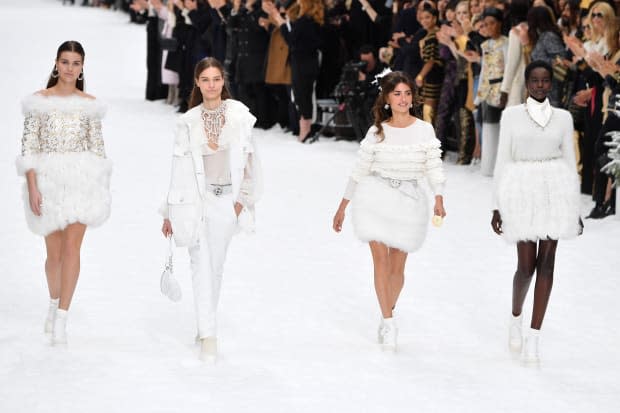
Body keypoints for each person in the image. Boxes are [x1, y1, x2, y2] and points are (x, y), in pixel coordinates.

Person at [332, 71, 447, 352]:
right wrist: (342, 206)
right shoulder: (377, 132)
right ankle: (388, 320)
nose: (403, 99)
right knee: (380, 263)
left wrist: (439, 197)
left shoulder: (424, 130)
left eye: (407, 93)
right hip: (375, 197)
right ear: (386, 98)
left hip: (409, 200)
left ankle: (388, 309)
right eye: (397, 94)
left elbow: (433, 166)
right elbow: (359, 170)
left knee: (398, 267)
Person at [160, 57, 262, 363]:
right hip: (196, 202)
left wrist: (241, 201)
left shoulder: (240, 116)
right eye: (205, 79)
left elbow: (251, 163)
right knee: (199, 265)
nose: (211, 85)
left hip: (226, 203)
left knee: (214, 268)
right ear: (197, 83)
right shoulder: (187, 121)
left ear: (223, 81)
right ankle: (209, 336)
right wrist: (169, 211)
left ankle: (206, 325)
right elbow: (177, 169)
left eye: (216, 79)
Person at [17, 41, 112, 345]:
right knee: (54, 255)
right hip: (48, 183)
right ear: (56, 64)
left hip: (83, 182)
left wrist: (100, 186)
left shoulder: (90, 104)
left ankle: (62, 318)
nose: (70, 68)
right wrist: (32, 186)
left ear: (83, 67)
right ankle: (53, 301)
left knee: (73, 250)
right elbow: (29, 147)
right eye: (65, 62)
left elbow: (98, 149)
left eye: (76, 63)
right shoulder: (38, 102)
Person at [491, 61, 582, 366]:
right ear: (527, 83)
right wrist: (496, 205)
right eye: (535, 80)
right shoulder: (512, 117)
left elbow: (570, 162)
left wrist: (575, 207)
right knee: (526, 267)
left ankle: (534, 337)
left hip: (555, 189)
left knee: (547, 265)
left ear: (550, 84)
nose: (541, 85)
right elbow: (502, 160)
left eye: (545, 81)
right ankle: (516, 317)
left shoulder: (563, 118)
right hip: (521, 189)